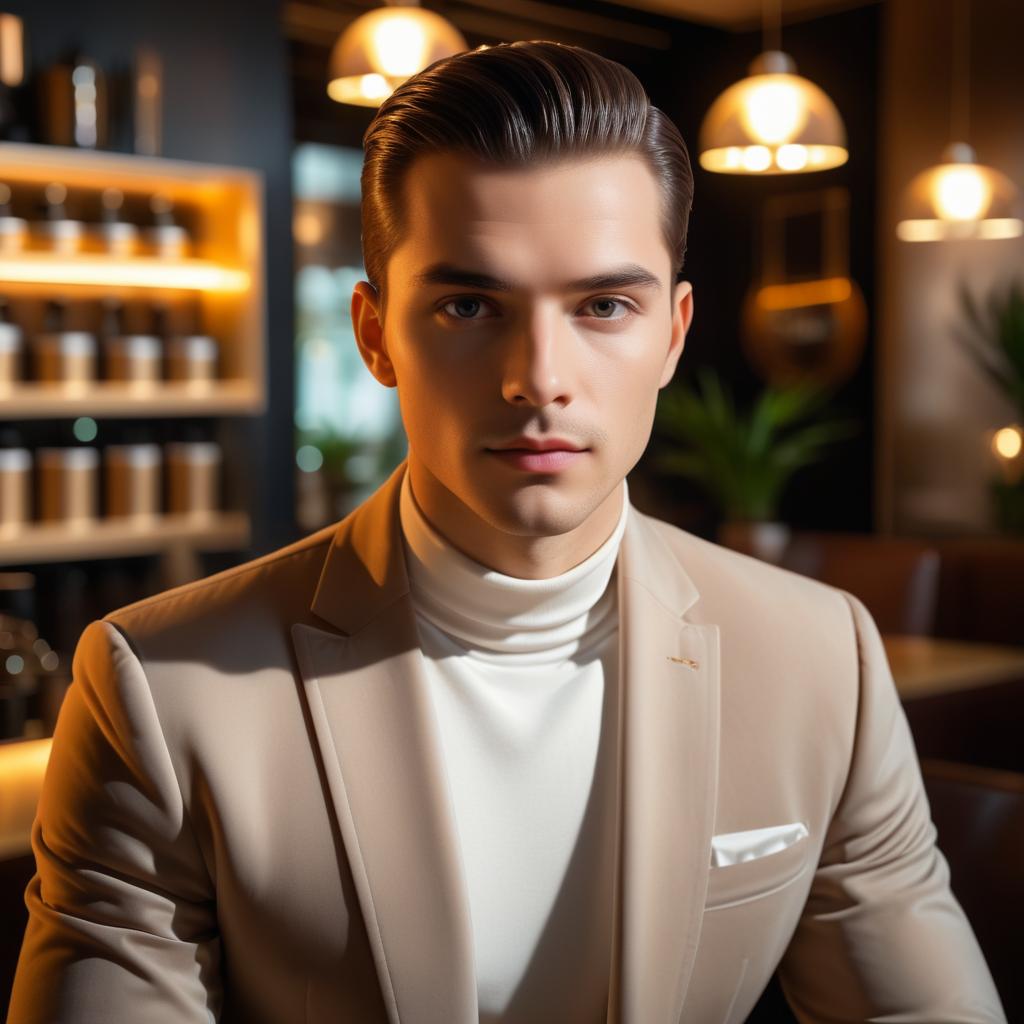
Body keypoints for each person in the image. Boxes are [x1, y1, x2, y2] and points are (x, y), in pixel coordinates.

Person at [7, 39, 1005, 1024]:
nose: (539, 375)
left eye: (604, 304)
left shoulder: (819, 657)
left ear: (673, 332)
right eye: (469, 303)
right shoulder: (164, 687)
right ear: (374, 334)